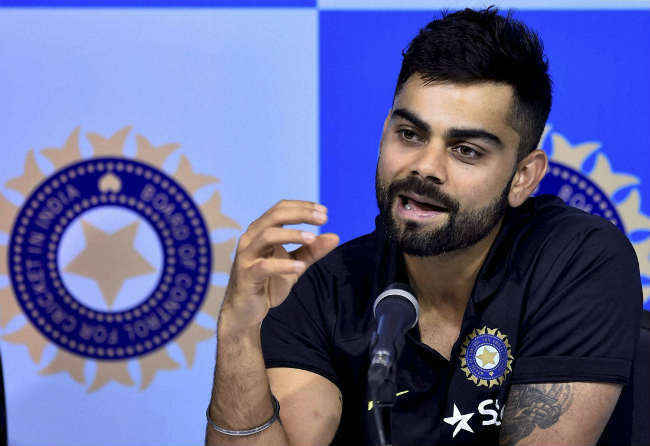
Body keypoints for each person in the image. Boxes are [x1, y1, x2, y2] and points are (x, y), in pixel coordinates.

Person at [205, 7, 642, 446]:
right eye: (410, 135)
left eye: (466, 150)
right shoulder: (326, 285)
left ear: (523, 177)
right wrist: (238, 332)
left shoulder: (576, 260)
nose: (425, 167)